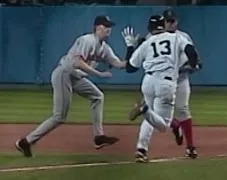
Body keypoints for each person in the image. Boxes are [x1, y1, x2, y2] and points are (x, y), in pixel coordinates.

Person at [15, 15, 127, 158]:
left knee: (98, 96)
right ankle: (25, 142)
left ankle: (99, 137)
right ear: (97, 27)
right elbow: (78, 62)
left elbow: (121, 65)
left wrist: (131, 48)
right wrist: (98, 74)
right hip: (64, 74)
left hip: (75, 77)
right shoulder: (87, 40)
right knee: (59, 116)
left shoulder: (104, 48)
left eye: (109, 26)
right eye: (105, 26)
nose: (108, 29)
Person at [122, 14, 200, 163]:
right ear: (163, 25)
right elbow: (190, 50)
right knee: (163, 124)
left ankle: (141, 149)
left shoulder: (147, 42)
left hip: (148, 81)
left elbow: (130, 68)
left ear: (150, 29)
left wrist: (131, 47)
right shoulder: (176, 37)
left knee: (150, 116)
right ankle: (144, 110)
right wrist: (193, 63)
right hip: (165, 82)